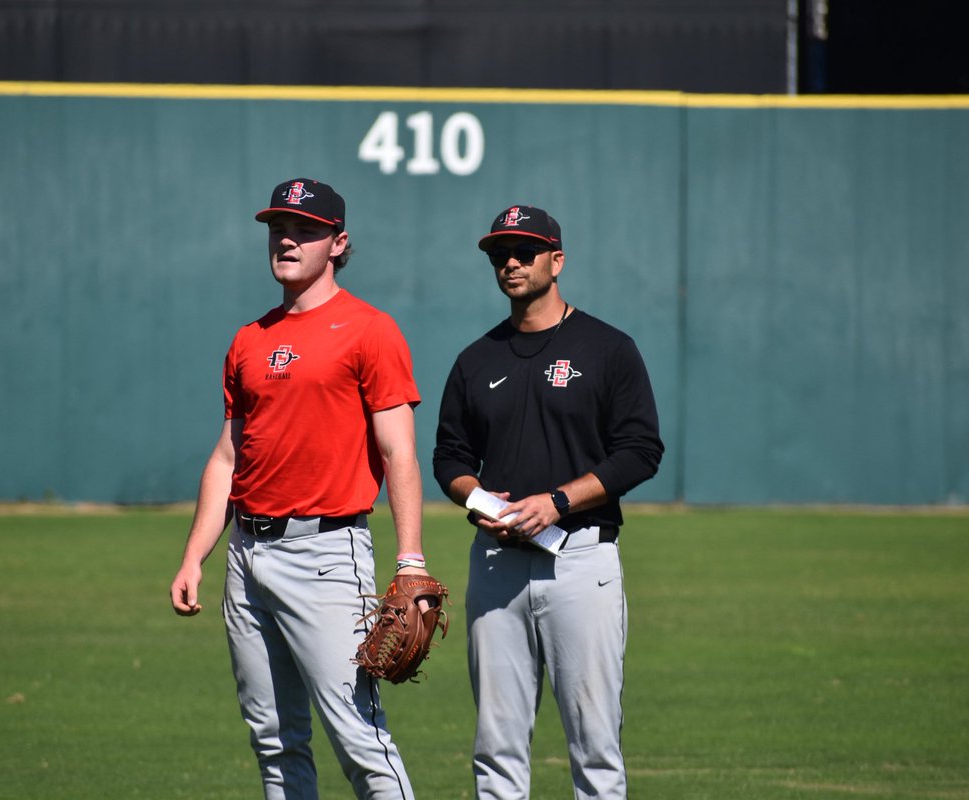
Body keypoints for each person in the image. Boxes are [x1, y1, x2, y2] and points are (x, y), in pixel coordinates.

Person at [170, 178, 430, 800]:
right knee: (274, 738)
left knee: (359, 738)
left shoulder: (370, 330)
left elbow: (399, 451)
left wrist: (411, 560)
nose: (286, 239)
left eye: (305, 230)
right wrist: (193, 557)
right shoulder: (248, 339)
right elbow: (227, 457)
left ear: (338, 243)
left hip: (326, 554)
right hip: (246, 556)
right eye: (277, 228)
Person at [433, 205, 664, 799]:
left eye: (524, 251)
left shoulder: (608, 348)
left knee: (595, 746)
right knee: (497, 747)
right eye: (498, 254)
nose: (510, 262)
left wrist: (558, 501)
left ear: (556, 260)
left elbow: (640, 450)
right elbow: (449, 459)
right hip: (495, 563)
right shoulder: (475, 359)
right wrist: (482, 501)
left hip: (580, 561)